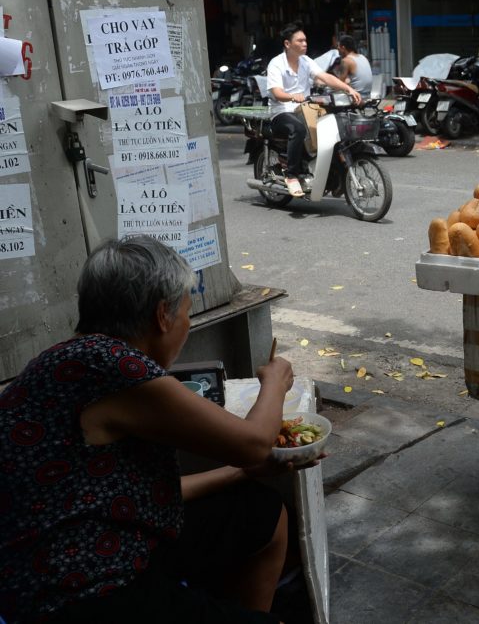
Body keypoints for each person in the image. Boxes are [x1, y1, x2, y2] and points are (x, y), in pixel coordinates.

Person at [0, 236, 310, 624]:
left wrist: (238, 474)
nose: (186, 323)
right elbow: (254, 443)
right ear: (163, 316)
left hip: (72, 551)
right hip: (77, 589)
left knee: (260, 511)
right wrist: (275, 380)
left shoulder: (67, 358)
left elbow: (141, 492)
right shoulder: (117, 369)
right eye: (186, 311)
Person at [266, 21, 361, 198]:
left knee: (332, 128)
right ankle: (292, 175)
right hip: (282, 111)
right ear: (288, 44)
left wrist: (348, 89)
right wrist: (292, 96)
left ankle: (333, 174)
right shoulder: (276, 64)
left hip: (306, 109)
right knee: (298, 129)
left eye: (305, 40)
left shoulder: (306, 61)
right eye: (300, 41)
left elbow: (324, 77)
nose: (305, 44)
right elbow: (276, 92)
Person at [334, 34, 374, 99]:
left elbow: (340, 83)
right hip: (368, 95)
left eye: (338, 46)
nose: (337, 48)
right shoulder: (362, 57)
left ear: (343, 48)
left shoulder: (346, 60)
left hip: (356, 97)